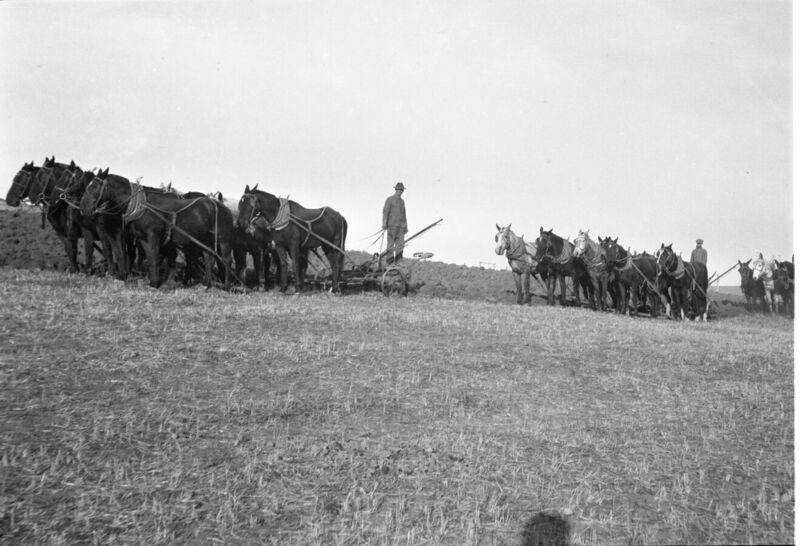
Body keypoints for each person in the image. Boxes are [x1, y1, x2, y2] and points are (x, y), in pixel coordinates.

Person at [382, 182, 408, 263]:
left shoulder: (402, 201)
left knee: (400, 245)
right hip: (391, 226)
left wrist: (406, 227)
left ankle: (399, 262)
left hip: (401, 228)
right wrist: (384, 223)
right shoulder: (389, 200)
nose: (400, 191)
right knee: (390, 245)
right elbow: (385, 212)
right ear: (395, 190)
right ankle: (390, 262)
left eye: (401, 190)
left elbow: (404, 214)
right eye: (399, 189)